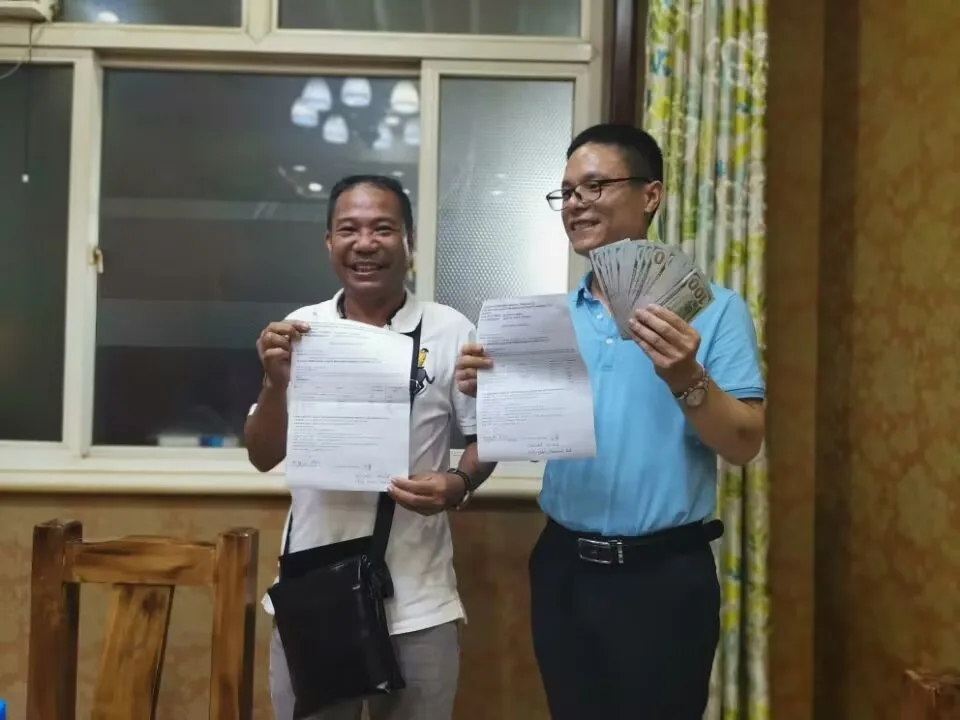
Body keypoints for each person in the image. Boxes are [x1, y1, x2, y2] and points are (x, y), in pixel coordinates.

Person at [455, 124, 766, 719]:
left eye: (594, 186)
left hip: (664, 578)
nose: (575, 203)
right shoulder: (548, 321)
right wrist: (491, 393)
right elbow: (522, 436)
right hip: (563, 566)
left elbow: (744, 443)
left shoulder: (715, 309)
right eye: (567, 192)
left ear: (651, 195)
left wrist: (686, 376)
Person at [246, 174, 496, 720]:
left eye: (382, 229)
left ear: (409, 241)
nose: (365, 243)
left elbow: (487, 439)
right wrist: (274, 384)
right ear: (329, 242)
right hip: (313, 593)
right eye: (349, 230)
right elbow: (262, 455)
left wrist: (458, 483)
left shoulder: (450, 330)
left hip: (420, 600)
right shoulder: (299, 330)